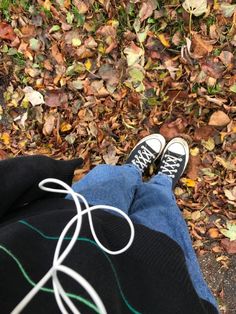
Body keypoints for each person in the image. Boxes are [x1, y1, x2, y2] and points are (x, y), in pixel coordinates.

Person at [0, 134, 219, 314]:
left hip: (65, 225)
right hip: (166, 292)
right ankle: (161, 182)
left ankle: (131, 170)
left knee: (107, 184)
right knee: (160, 211)